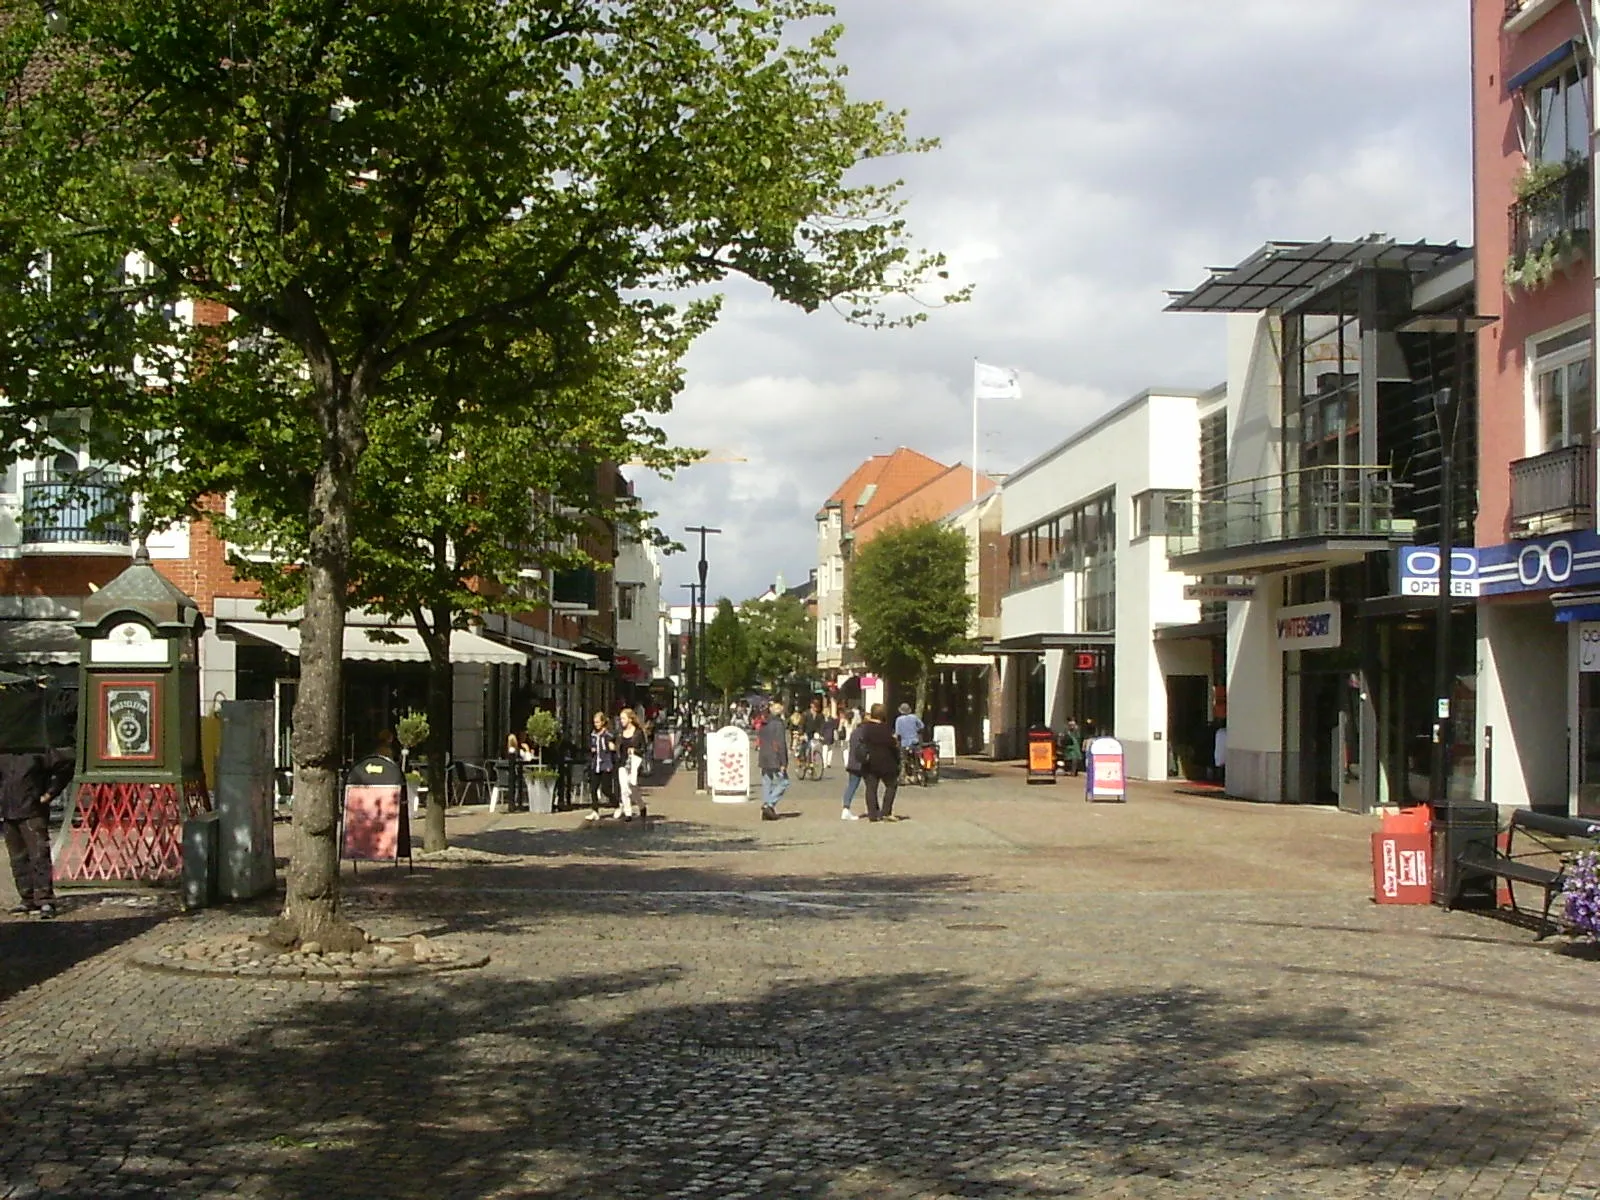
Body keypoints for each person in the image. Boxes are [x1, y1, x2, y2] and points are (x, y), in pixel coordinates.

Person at [2, 746, 73, 918]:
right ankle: (27, 898)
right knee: (17, 857)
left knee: (39, 855)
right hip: (8, 812)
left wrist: (49, 794)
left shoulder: (39, 750)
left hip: (32, 811)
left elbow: (66, 764)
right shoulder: (4, 751)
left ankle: (45, 900)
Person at [858, 704, 902, 822]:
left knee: (871, 788)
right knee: (891, 785)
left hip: (869, 762)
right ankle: (886, 811)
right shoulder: (885, 729)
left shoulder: (865, 728)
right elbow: (893, 745)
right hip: (886, 763)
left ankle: (872, 814)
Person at [756, 699, 789, 821]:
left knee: (767, 782)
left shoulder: (764, 723)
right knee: (784, 782)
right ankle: (769, 804)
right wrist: (783, 761)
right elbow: (780, 743)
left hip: (764, 756)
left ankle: (767, 810)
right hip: (775, 757)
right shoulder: (778, 724)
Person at [584, 711, 618, 821]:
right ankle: (595, 811)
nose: (596, 724)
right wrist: (591, 749)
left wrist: (612, 747)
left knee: (605, 789)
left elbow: (614, 745)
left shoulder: (608, 734)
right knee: (593, 788)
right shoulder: (593, 734)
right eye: (595, 722)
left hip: (606, 764)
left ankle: (617, 804)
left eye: (598, 722)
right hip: (595, 764)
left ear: (603, 722)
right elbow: (591, 745)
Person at [614, 707, 645, 821]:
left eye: (623, 718)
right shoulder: (620, 733)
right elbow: (617, 746)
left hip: (634, 762)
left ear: (630, 719)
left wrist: (635, 751)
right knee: (624, 788)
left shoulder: (638, 732)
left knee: (632, 786)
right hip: (622, 763)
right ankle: (628, 813)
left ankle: (641, 805)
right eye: (621, 718)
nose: (621, 721)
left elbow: (643, 748)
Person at [839, 714, 867, 820]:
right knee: (870, 786)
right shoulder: (864, 733)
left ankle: (846, 807)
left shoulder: (855, 732)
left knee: (852, 785)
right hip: (861, 763)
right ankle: (874, 808)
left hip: (852, 763)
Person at [819, 707, 840, 772]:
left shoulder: (823, 720)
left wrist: (821, 735)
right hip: (831, 735)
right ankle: (829, 762)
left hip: (825, 735)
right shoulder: (832, 719)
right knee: (830, 750)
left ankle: (824, 762)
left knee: (825, 749)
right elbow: (836, 726)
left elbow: (821, 728)